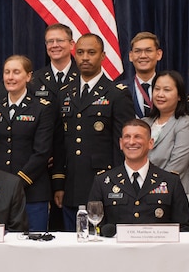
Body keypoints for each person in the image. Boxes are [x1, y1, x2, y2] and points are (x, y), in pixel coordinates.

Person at [51, 33, 135, 230]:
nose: (85, 58)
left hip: (103, 184)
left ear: (103, 56)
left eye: (91, 52)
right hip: (71, 186)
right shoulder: (65, 92)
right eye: (80, 53)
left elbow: (122, 145)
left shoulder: (116, 93)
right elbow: (60, 143)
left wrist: (118, 186)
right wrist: (58, 184)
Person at [0, 55, 55, 231]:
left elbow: (42, 152)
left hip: (33, 191)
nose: (10, 77)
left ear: (28, 76)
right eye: (7, 72)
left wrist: (17, 183)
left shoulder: (42, 108)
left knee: (34, 247)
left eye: (16, 72)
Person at [88, 119, 189, 236]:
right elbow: (92, 227)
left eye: (138, 137)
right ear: (121, 143)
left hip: (158, 252)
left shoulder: (170, 181)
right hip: (117, 252)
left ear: (150, 143)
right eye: (127, 137)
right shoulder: (103, 182)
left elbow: (186, 229)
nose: (132, 142)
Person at [144, 70, 189, 223]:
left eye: (167, 90)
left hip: (180, 194)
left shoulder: (186, 124)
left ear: (180, 95)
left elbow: (177, 165)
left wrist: (147, 187)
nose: (160, 94)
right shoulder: (145, 122)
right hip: (145, 197)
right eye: (157, 89)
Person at [115, 31, 161, 119]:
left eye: (148, 50)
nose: (143, 56)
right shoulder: (118, 90)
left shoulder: (169, 88)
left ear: (158, 54)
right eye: (137, 51)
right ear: (131, 56)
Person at [29, 23, 77, 101]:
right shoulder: (34, 79)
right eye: (50, 41)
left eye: (60, 40)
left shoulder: (83, 76)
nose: (54, 45)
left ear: (71, 44)